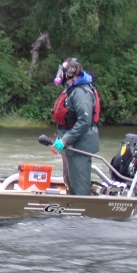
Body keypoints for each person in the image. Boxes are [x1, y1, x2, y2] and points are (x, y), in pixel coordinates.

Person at [50, 57, 100, 196]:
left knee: (79, 187)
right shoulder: (71, 88)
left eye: (63, 71)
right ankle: (70, 207)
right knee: (69, 181)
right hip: (70, 145)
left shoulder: (81, 92)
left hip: (80, 147)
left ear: (70, 73)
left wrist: (65, 141)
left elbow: (84, 121)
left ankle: (82, 214)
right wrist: (61, 140)